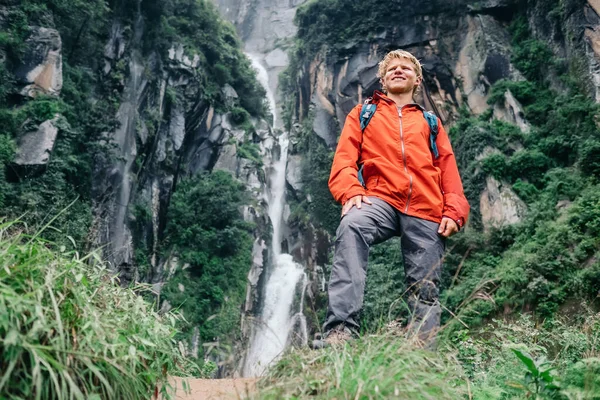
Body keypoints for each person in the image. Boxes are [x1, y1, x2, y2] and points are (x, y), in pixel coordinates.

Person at [317, 49, 470, 347]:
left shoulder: (430, 122)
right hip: (379, 198)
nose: (398, 71)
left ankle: (423, 353)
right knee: (352, 225)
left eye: (406, 68)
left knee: (425, 286)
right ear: (383, 80)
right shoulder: (364, 113)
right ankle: (341, 332)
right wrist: (350, 191)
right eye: (391, 69)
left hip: (427, 206)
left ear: (417, 79)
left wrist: (454, 210)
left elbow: (447, 168)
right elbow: (345, 159)